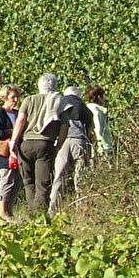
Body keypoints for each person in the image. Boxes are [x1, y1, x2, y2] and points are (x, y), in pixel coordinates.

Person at [9, 73, 64, 217]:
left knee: (28, 181)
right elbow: (65, 126)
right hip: (45, 143)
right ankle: (39, 214)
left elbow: (20, 120)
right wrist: (59, 145)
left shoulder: (29, 100)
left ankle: (32, 210)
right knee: (43, 181)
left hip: (26, 143)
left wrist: (13, 141)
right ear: (54, 86)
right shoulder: (59, 101)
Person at [51, 86, 96, 217]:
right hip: (79, 141)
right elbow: (89, 129)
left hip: (62, 142)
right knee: (80, 175)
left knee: (59, 175)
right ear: (78, 95)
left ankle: (53, 208)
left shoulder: (59, 103)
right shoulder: (85, 108)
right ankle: (81, 207)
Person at [0, 85, 23, 220]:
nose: (15, 100)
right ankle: (2, 212)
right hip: (5, 153)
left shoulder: (17, 113)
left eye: (17, 97)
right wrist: (14, 131)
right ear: (5, 97)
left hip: (17, 151)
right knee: (6, 180)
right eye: (12, 97)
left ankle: (10, 211)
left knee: (16, 182)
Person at [84, 85, 112, 160]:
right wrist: (102, 146)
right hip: (101, 148)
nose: (104, 99)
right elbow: (98, 129)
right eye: (103, 97)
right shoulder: (96, 111)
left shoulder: (85, 109)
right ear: (99, 97)